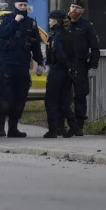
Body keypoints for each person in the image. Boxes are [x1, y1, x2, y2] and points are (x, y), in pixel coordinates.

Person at [0, 0, 44, 138]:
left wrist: (40, 62)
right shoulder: (5, 19)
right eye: (20, 5)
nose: (22, 7)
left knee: (20, 98)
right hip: (6, 65)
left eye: (24, 5)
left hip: (22, 65)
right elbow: (2, 33)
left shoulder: (31, 23)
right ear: (14, 5)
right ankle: (0, 128)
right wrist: (15, 22)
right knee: (5, 97)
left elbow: (35, 45)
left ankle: (13, 128)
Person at [64, 0, 102, 136]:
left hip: (80, 65)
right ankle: (63, 124)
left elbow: (95, 47)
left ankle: (78, 125)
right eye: (72, 6)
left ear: (82, 11)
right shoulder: (63, 23)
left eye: (77, 7)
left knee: (80, 96)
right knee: (62, 96)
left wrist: (93, 65)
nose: (74, 9)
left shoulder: (87, 26)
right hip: (64, 65)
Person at [42, 10, 77, 138]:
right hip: (66, 72)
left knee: (50, 101)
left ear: (55, 20)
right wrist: (69, 69)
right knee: (63, 101)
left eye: (50, 20)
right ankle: (73, 126)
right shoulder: (67, 34)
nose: (49, 22)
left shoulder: (56, 35)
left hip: (57, 71)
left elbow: (59, 54)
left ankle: (53, 130)